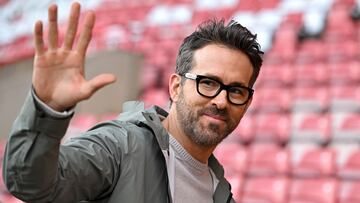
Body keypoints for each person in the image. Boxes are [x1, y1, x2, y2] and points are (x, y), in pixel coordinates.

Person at [2, 2, 263, 203]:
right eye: (207, 82)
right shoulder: (119, 146)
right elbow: (30, 183)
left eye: (237, 90)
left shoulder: (221, 192)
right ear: (175, 86)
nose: (221, 100)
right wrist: (46, 110)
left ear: (247, 103)